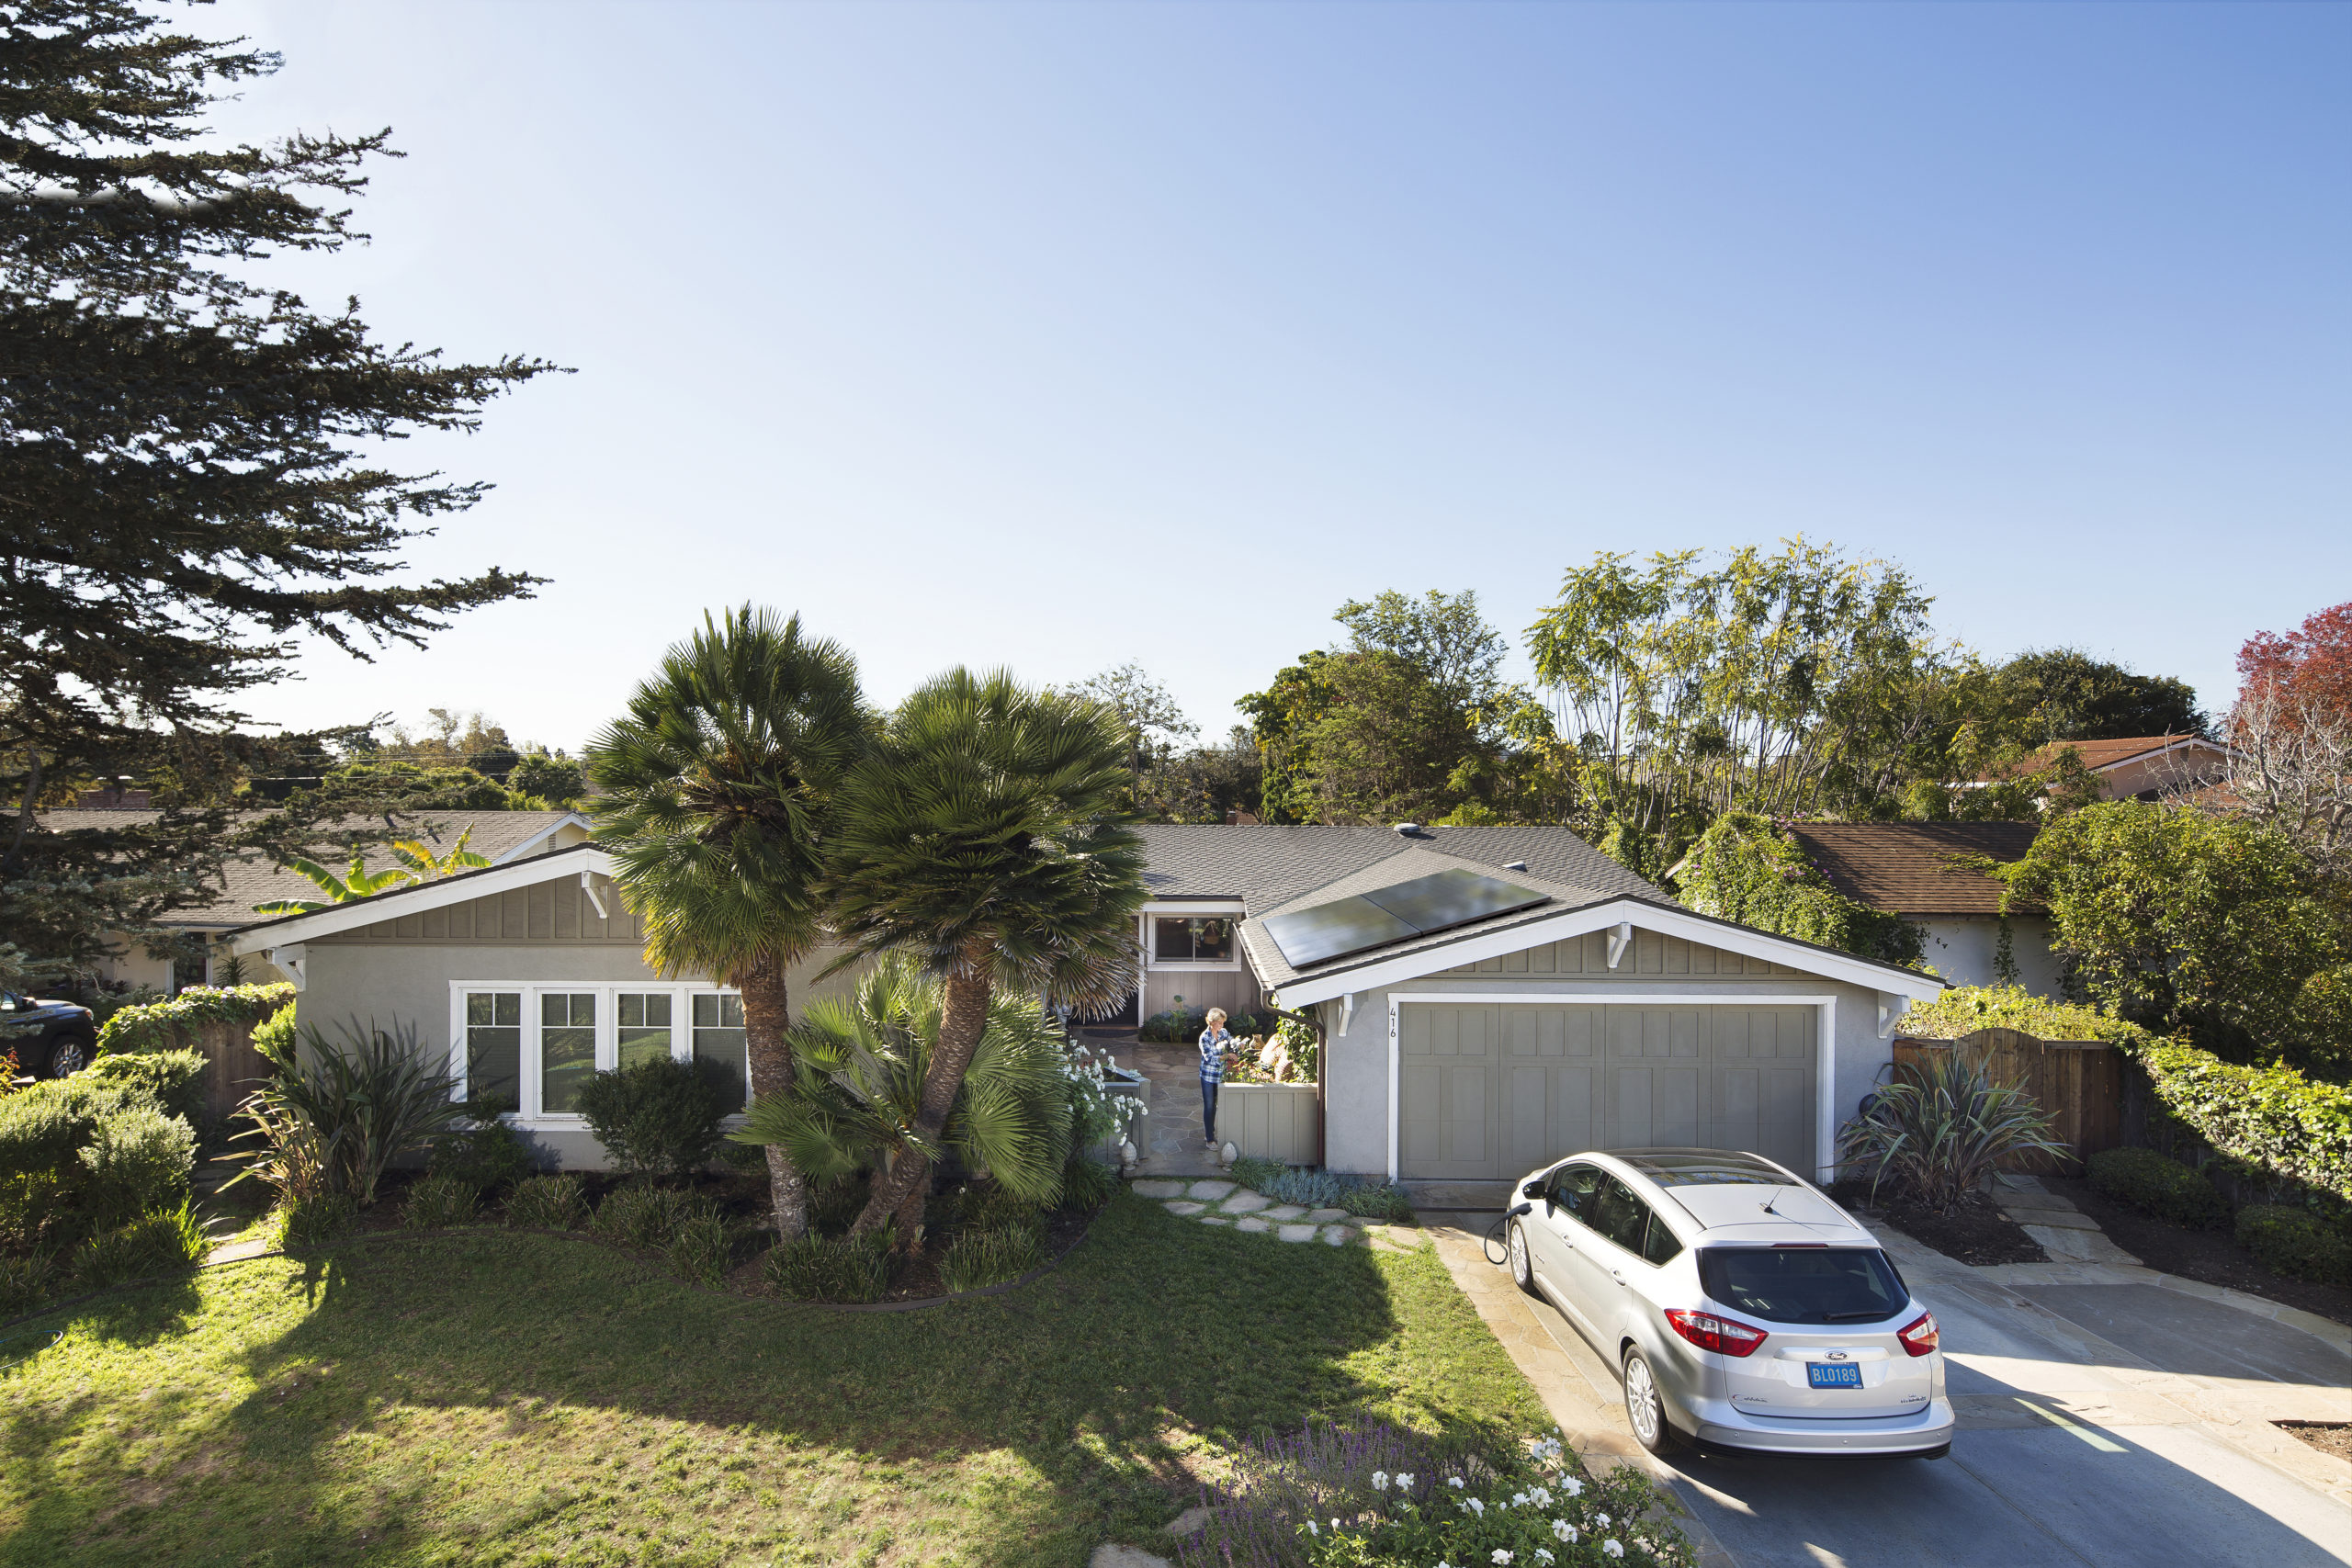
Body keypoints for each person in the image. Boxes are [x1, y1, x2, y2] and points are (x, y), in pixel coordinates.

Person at [1197, 1007, 1235, 1149]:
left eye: (1223, 1023)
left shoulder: (1223, 1032)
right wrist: (1227, 1056)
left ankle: (1212, 1133)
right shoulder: (1204, 1037)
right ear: (1212, 1022)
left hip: (1220, 1075)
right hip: (1208, 1076)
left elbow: (1231, 1040)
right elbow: (1209, 1058)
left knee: (1217, 1106)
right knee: (1209, 1106)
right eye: (1220, 1023)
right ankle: (1209, 1138)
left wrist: (1238, 1044)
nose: (1222, 1026)